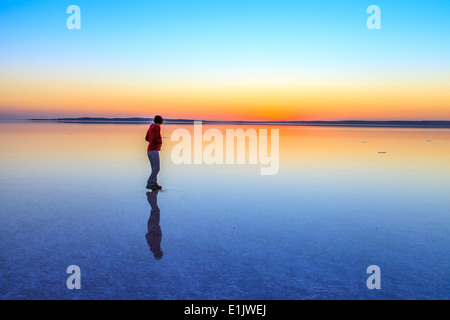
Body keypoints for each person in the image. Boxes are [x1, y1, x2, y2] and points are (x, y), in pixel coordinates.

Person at [145, 115, 163, 190]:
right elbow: (154, 138)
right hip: (154, 149)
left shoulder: (150, 127)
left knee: (154, 168)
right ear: (161, 121)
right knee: (157, 168)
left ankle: (154, 183)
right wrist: (160, 141)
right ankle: (150, 183)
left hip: (149, 150)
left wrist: (153, 141)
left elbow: (146, 138)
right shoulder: (157, 127)